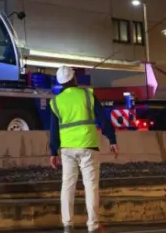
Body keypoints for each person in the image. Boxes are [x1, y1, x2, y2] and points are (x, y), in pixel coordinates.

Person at [49, 65, 118, 233]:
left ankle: (67, 225)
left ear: (60, 83)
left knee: (67, 186)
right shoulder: (88, 95)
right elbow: (103, 120)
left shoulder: (56, 102)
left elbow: (54, 130)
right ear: (74, 79)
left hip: (67, 149)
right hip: (88, 146)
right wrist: (112, 140)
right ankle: (93, 226)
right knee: (91, 186)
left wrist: (53, 152)